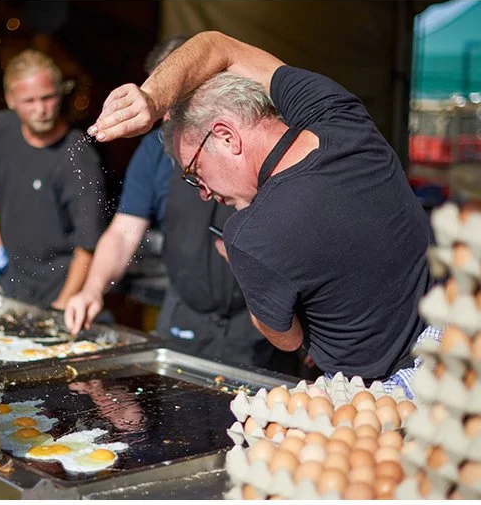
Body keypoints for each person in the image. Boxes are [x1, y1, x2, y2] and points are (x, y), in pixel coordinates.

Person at [85, 31, 440, 398]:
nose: (204, 191)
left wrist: (252, 274)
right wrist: (153, 98)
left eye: (193, 172)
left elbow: (287, 339)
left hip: (380, 394)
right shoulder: (337, 113)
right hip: (448, 339)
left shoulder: (251, 236)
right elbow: (221, 46)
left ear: (226, 136)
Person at [64, 36, 311, 376]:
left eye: (173, 102)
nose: (166, 118)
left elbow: (306, 237)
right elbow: (123, 232)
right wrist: (92, 289)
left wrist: (314, 324)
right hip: (185, 314)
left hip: (258, 325)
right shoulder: (153, 150)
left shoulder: (253, 141)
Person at [0, 50, 107, 309]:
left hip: (58, 288)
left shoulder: (79, 157)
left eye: (48, 98)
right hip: (10, 282)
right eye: (29, 101)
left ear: (60, 94)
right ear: (10, 99)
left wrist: (63, 304)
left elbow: (89, 245)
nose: (41, 110)